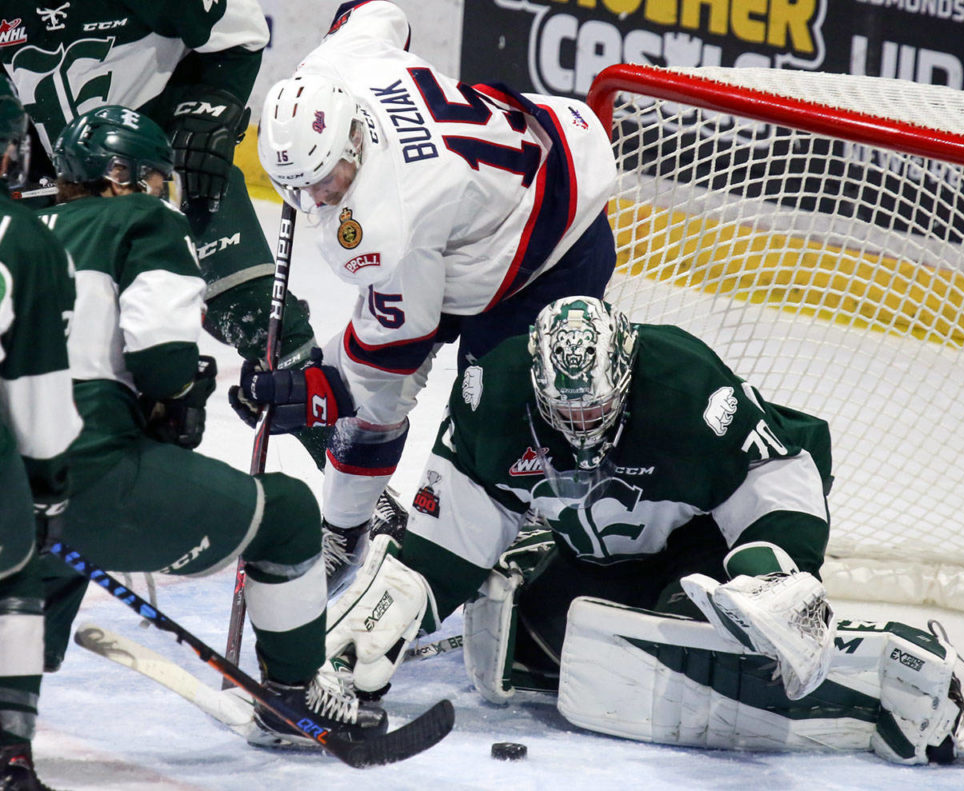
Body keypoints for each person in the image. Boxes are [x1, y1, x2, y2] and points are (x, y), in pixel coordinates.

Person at [322, 295, 964, 766]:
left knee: (716, 667)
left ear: (627, 373)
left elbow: (785, 463)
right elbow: (451, 532)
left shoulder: (687, 387)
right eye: (566, 413)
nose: (583, 429)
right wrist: (398, 599)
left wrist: (778, 565)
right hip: (587, 559)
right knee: (513, 654)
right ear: (534, 383)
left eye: (597, 410)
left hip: (694, 559)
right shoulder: (491, 396)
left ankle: (898, 670)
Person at [233, 0, 619, 594]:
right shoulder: (338, 65)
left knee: (490, 415)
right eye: (299, 186)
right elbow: (375, 12)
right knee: (374, 412)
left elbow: (393, 352)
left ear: (354, 141)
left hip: (547, 240)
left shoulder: (391, 220)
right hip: (471, 212)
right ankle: (343, 529)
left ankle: (536, 539)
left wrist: (316, 388)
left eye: (325, 179)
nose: (317, 197)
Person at [35, 104, 387, 752]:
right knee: (285, 514)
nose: (163, 192)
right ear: (122, 176)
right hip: (86, 469)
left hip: (9, 482)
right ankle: (294, 693)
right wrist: (179, 394)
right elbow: (161, 361)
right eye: (154, 178)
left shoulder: (16, 228)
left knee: (25, 594)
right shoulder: (143, 219)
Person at [0, 0, 326, 462]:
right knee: (65, 355)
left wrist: (207, 113)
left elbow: (240, 35)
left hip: (165, 171)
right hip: (67, 191)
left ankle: (352, 494)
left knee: (267, 331)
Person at [0, 76, 80, 791]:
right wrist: (48, 489)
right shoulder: (25, 240)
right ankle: (8, 753)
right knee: (15, 564)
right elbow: (37, 393)